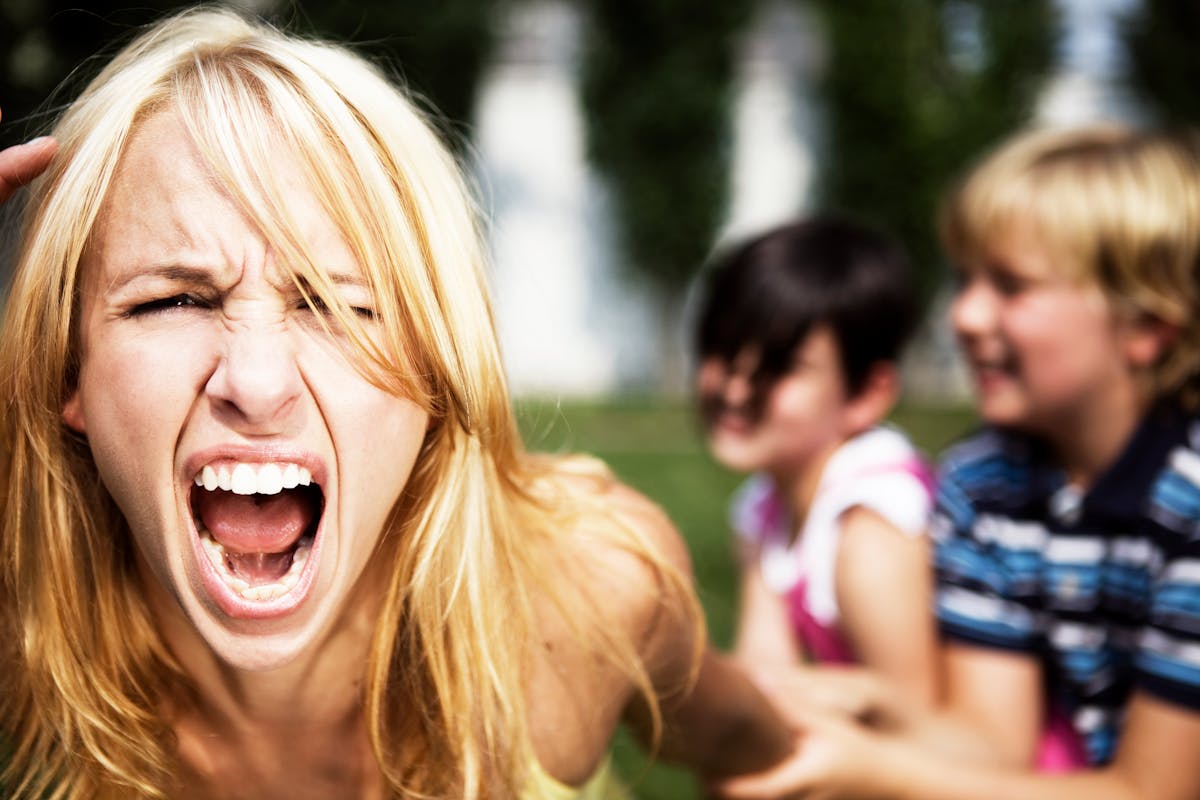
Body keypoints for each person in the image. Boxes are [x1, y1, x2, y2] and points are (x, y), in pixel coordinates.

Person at [0, 8, 794, 799]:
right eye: (173, 300)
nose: (257, 382)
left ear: (436, 373)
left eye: (336, 304)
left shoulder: (585, 599)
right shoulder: (23, 634)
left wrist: (891, 763)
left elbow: (760, 748)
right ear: (69, 375)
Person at [715, 124, 1200, 800]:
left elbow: (1156, 792)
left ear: (1147, 327)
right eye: (966, 279)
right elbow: (992, 746)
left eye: (1011, 286)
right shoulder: (986, 485)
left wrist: (872, 770)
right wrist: (847, 701)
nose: (966, 315)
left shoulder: (1191, 501)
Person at [693, 216, 938, 705]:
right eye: (721, 351)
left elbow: (914, 714)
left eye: (779, 368)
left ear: (867, 394)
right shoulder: (765, 506)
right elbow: (762, 670)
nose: (736, 390)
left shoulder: (871, 527)